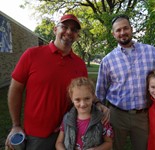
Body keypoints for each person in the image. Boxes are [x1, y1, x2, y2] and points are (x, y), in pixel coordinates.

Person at [5, 14, 109, 150]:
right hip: (37, 135)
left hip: (68, 132)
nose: (69, 32)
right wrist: (16, 124)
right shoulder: (31, 55)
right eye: (64, 27)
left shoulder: (79, 64)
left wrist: (99, 103)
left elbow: (85, 93)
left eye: (74, 30)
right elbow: (15, 89)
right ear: (55, 29)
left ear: (77, 35)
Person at [95, 14, 155, 150]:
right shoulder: (107, 60)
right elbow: (100, 92)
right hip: (117, 116)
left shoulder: (151, 52)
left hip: (143, 115)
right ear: (113, 34)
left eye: (125, 28)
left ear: (131, 29)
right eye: (118, 30)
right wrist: (98, 111)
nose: (122, 32)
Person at [56, 77, 113, 150]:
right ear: (71, 98)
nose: (82, 104)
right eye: (77, 100)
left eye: (87, 98)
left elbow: (109, 143)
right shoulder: (67, 118)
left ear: (93, 96)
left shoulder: (102, 118)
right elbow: (59, 142)